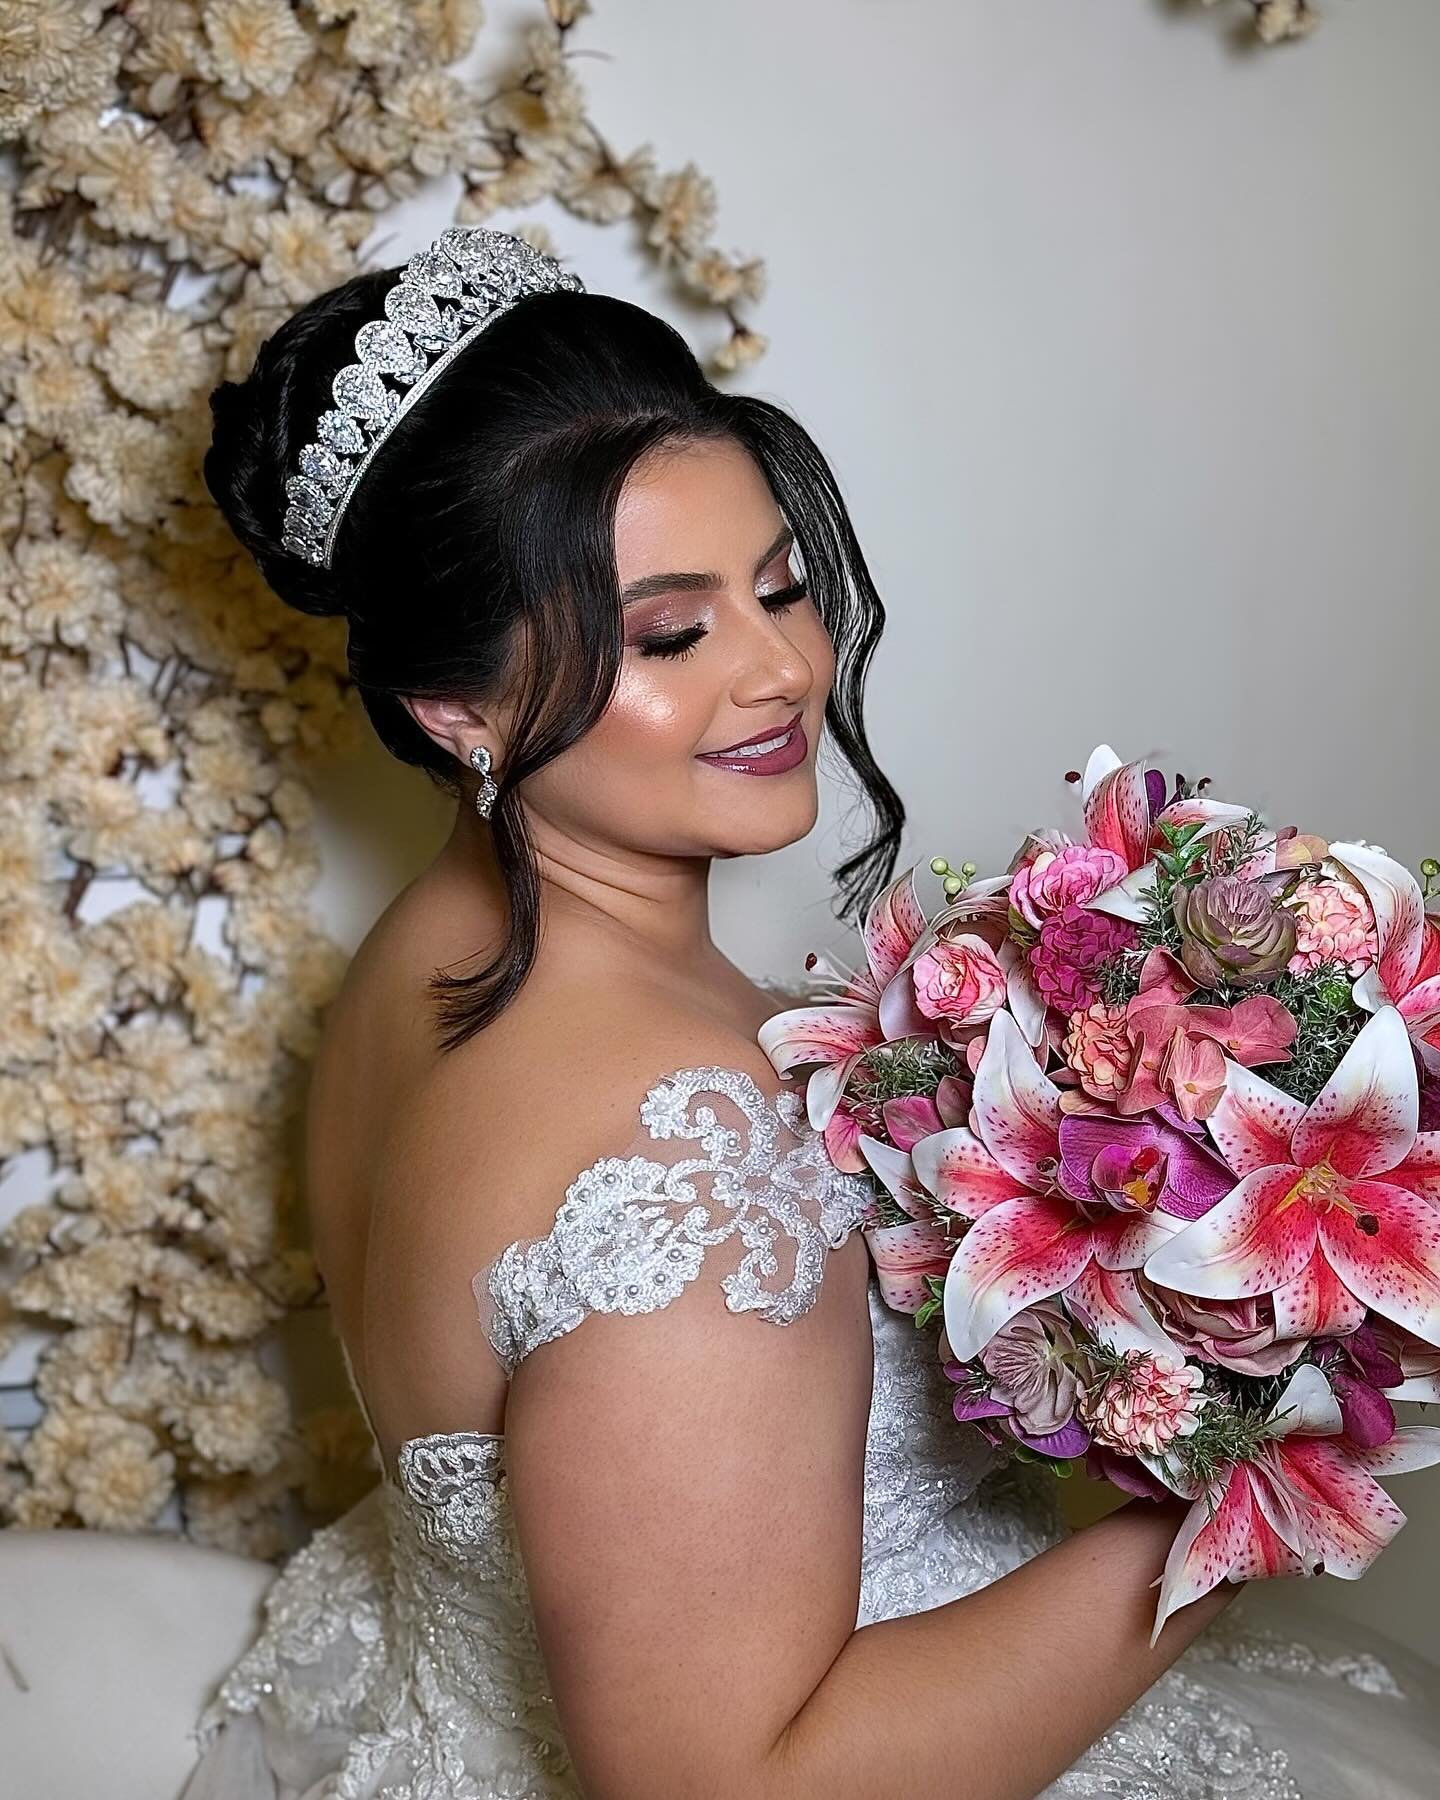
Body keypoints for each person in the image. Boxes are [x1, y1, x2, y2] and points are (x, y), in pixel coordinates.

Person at [183, 228, 1440, 1799]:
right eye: (671, 634)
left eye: (780, 586)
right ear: (457, 709)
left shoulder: (419, 962)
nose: (782, 667)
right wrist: (1245, 1477)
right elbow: (737, 1781)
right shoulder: (689, 1161)